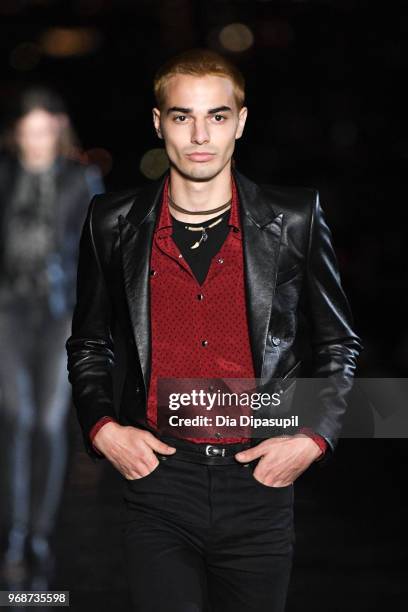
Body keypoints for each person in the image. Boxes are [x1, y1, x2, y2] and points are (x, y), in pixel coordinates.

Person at [65, 48, 362, 612]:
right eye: (182, 116)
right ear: (159, 123)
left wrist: (313, 437)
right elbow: (88, 341)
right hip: (158, 480)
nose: (200, 134)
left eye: (217, 116)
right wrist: (103, 428)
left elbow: (338, 341)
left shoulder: (293, 217)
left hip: (259, 482)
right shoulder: (112, 221)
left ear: (240, 122)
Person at [0, 87, 104, 586]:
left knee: (47, 422)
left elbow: (96, 251)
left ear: (59, 130)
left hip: (59, 313)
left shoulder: (80, 179)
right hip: (7, 311)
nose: (36, 142)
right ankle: (16, 531)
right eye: (28, 132)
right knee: (15, 419)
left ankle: (40, 531)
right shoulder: (3, 175)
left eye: (44, 132)